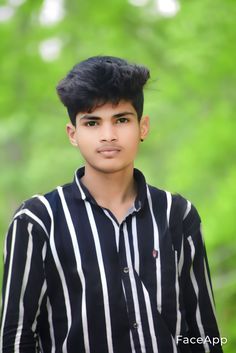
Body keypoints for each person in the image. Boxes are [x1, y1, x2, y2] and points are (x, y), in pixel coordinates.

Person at [0, 56, 223, 353]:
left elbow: (203, 332)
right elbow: (15, 339)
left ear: (143, 127)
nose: (108, 135)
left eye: (121, 119)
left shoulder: (177, 215)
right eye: (92, 122)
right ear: (73, 134)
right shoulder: (37, 221)